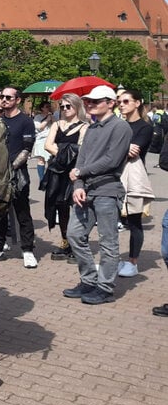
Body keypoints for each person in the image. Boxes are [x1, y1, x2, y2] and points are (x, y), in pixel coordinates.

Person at [64, 85, 132, 305]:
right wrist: (78, 185)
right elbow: (81, 159)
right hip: (87, 189)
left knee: (108, 242)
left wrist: (80, 173)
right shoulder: (91, 128)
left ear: (111, 103)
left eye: (95, 101)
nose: (90, 104)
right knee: (74, 235)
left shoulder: (120, 127)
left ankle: (105, 287)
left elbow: (111, 160)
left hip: (107, 191)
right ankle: (88, 280)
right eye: (88, 102)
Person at [0, 86, 38, 268]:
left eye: (8, 97)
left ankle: (27, 250)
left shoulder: (25, 121)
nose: (4, 100)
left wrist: (11, 168)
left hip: (18, 174)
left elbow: (27, 149)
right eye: (2, 96)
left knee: (22, 212)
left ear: (18, 100)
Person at [42, 93, 87, 261]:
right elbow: (47, 145)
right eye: (62, 106)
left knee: (76, 207)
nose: (65, 109)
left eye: (69, 106)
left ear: (77, 107)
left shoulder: (84, 126)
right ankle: (65, 241)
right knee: (60, 206)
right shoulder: (57, 124)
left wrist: (61, 152)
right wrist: (66, 153)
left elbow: (81, 151)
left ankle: (78, 243)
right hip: (57, 172)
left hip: (73, 172)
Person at [116, 89, 154, 278]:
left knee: (134, 222)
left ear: (137, 103)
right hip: (114, 176)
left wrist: (115, 148)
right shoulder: (119, 125)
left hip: (133, 178)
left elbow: (134, 152)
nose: (121, 104)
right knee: (111, 220)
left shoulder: (144, 127)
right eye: (119, 101)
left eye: (125, 101)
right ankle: (113, 259)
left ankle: (133, 262)